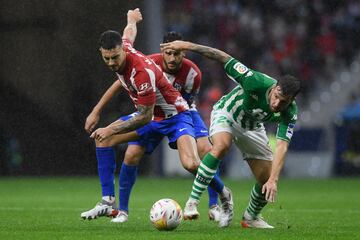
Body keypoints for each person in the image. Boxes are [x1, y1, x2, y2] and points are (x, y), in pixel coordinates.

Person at [80, 9, 232, 227]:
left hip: (176, 116)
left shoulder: (141, 72)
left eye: (115, 58)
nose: (112, 63)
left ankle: (224, 194)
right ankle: (108, 202)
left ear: (122, 52)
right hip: (154, 115)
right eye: (107, 58)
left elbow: (144, 116)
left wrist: (110, 129)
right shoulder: (125, 48)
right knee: (102, 139)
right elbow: (129, 31)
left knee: (190, 164)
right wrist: (131, 19)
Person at [161, 40, 301, 228]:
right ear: (275, 88)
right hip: (227, 114)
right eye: (276, 97)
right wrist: (186, 45)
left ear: (291, 100)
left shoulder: (290, 112)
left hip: (252, 127)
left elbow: (282, 145)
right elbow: (222, 56)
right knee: (221, 145)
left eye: (283, 102)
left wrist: (273, 180)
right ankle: (192, 202)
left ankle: (251, 217)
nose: (277, 104)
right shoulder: (254, 80)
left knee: (266, 178)